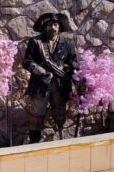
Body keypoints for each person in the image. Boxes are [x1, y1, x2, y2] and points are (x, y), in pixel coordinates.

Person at [23, 12, 80, 143]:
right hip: (40, 84)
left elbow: (74, 63)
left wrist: (78, 82)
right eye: (49, 25)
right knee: (37, 115)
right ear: (44, 27)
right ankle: (34, 144)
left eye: (55, 25)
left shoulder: (68, 43)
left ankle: (61, 141)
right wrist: (38, 69)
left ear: (59, 27)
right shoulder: (35, 42)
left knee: (60, 114)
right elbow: (27, 61)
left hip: (60, 85)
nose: (53, 28)